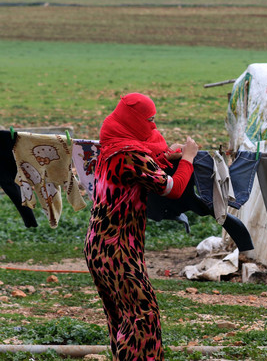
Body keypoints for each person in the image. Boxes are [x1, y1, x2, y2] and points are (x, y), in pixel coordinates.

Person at [84, 93, 198, 361]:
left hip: (99, 245)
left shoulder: (112, 145)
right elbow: (172, 188)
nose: (153, 125)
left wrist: (168, 156)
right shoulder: (130, 155)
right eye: (149, 119)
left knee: (122, 317)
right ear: (133, 120)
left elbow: (148, 168)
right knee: (143, 317)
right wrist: (189, 159)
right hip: (117, 248)